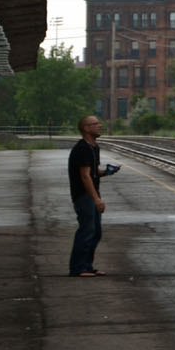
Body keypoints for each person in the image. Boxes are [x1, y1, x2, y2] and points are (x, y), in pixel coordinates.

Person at [67, 114, 106, 276]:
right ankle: (78, 268)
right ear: (86, 128)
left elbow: (92, 172)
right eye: (95, 123)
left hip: (91, 194)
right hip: (84, 195)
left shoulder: (93, 147)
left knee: (96, 232)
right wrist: (96, 199)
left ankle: (87, 265)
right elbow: (84, 176)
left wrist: (105, 172)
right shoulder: (82, 148)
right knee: (87, 231)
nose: (100, 125)